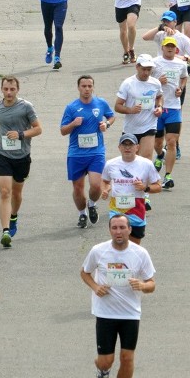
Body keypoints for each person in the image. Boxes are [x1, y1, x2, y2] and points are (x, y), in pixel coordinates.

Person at [81, 215, 156, 378]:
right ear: (109, 230)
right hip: (105, 312)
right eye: (114, 228)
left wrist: (142, 286)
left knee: (127, 357)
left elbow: (152, 283)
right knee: (106, 361)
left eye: (122, 227)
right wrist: (96, 287)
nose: (118, 231)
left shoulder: (140, 253)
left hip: (130, 313)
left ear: (129, 230)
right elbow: (85, 273)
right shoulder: (99, 251)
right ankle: (103, 371)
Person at [0, 76, 42, 247]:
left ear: (17, 90)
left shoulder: (26, 107)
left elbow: (38, 129)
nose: (9, 92)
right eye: (6, 89)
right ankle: (5, 230)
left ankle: (14, 215)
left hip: (22, 157)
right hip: (2, 155)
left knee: (16, 193)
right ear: (1, 89)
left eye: (12, 89)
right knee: (5, 192)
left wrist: (21, 134)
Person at [61, 75, 115, 229]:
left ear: (93, 87)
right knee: (78, 188)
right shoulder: (71, 107)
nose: (86, 89)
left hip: (96, 153)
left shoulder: (101, 103)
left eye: (89, 86)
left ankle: (92, 204)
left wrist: (106, 124)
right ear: (78, 88)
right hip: (76, 154)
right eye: (83, 86)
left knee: (96, 185)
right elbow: (63, 131)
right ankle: (82, 214)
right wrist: (73, 123)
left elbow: (111, 117)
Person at [101, 132, 162, 243]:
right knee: (118, 244)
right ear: (119, 147)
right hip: (116, 209)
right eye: (124, 145)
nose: (127, 148)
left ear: (137, 147)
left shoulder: (146, 164)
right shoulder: (110, 164)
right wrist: (105, 189)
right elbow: (105, 181)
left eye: (131, 144)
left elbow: (158, 186)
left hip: (137, 210)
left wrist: (145, 188)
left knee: (134, 248)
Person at [151, 38, 188, 191]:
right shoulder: (154, 62)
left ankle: (168, 176)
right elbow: (145, 80)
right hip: (158, 107)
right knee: (158, 143)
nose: (170, 49)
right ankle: (160, 155)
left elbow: (184, 77)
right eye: (167, 46)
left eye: (173, 47)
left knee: (171, 142)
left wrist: (181, 88)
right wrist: (157, 81)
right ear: (162, 48)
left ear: (176, 49)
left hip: (173, 108)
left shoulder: (181, 64)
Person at [114, 55, 164, 162]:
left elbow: (159, 97)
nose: (146, 73)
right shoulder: (128, 84)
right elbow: (117, 106)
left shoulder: (155, 83)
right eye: (144, 69)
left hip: (149, 125)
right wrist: (130, 110)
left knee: (146, 160)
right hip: (131, 128)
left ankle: (145, 178)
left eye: (149, 70)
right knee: (132, 160)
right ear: (137, 67)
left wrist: (159, 107)